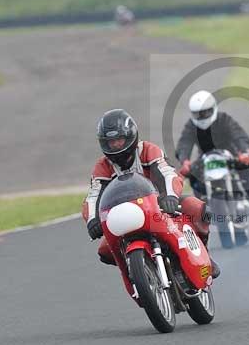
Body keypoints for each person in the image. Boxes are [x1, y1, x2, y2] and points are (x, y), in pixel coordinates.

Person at [81, 109, 218, 277]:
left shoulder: (148, 150)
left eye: (120, 140)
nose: (116, 145)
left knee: (198, 209)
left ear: (130, 136)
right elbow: (94, 195)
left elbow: (167, 173)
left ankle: (204, 255)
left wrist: (170, 196)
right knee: (104, 250)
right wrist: (92, 220)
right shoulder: (102, 166)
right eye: (111, 142)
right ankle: (139, 271)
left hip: (160, 207)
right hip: (123, 217)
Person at [176, 90, 249, 216]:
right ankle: (201, 209)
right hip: (205, 158)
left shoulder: (224, 119)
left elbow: (238, 135)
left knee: (244, 166)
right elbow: (184, 143)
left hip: (229, 154)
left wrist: (244, 152)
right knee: (193, 176)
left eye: (205, 112)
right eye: (198, 114)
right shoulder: (191, 126)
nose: (202, 116)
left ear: (213, 108)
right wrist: (184, 160)